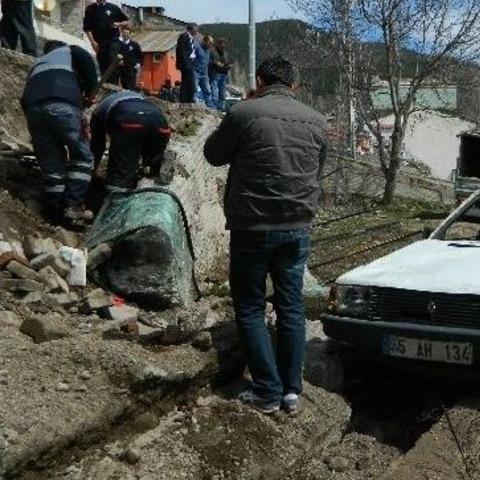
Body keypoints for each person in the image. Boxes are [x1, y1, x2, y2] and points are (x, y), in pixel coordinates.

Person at [204, 57, 327, 414]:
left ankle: (267, 392)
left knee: (250, 306)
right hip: (297, 227)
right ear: (294, 86)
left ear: (259, 80)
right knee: (291, 306)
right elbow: (316, 170)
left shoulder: (245, 112)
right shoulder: (317, 121)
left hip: (253, 226)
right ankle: (292, 391)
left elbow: (213, 155)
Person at [20, 40, 99, 225]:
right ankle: (73, 206)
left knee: (52, 165)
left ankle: (54, 210)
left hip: (33, 110)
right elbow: (88, 64)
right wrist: (91, 92)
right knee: (82, 157)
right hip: (62, 104)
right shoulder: (71, 51)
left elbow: (24, 99)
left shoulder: (37, 64)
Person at [90, 91, 171, 193]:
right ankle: (157, 166)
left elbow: (97, 145)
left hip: (129, 121)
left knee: (120, 173)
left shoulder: (99, 110)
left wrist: (92, 170)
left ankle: (116, 199)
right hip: (159, 122)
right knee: (151, 153)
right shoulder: (139, 98)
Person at [83, 0, 129, 83]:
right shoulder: (90, 9)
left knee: (111, 57)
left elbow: (126, 21)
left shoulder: (113, 7)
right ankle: (106, 85)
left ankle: (115, 83)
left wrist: (118, 24)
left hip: (113, 40)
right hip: (99, 42)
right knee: (102, 64)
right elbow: (87, 28)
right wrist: (92, 42)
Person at [175, 23, 198, 104]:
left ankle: (187, 100)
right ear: (191, 29)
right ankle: (186, 100)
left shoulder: (191, 38)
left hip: (190, 63)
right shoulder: (184, 36)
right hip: (186, 64)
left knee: (187, 83)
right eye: (196, 29)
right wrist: (186, 63)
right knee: (189, 83)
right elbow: (181, 51)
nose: (197, 31)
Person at [208, 38, 231, 111]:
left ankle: (221, 107)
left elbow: (226, 62)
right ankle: (214, 107)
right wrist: (216, 63)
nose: (222, 45)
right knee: (214, 91)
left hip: (224, 73)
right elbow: (208, 61)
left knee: (222, 91)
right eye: (221, 43)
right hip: (215, 73)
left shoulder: (226, 53)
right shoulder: (212, 51)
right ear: (217, 44)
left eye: (224, 43)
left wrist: (228, 66)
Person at [117, 26, 142, 91]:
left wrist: (138, 64)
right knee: (121, 89)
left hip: (131, 71)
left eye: (127, 33)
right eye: (124, 33)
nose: (125, 34)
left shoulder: (134, 45)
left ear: (130, 34)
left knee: (130, 88)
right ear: (121, 33)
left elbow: (140, 56)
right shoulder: (118, 44)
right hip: (120, 70)